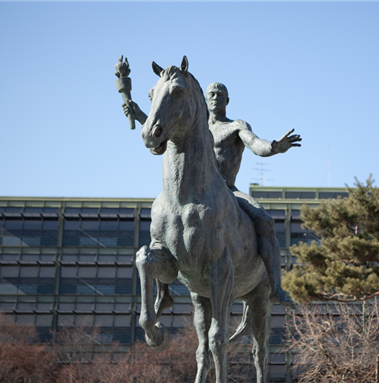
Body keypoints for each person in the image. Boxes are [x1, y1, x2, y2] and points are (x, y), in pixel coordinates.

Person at [124, 82, 301, 306]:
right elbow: (163, 127)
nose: (216, 97)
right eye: (212, 94)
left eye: (220, 94)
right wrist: (140, 114)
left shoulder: (236, 126)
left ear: (227, 100)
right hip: (196, 194)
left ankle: (276, 288)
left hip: (228, 191)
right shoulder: (194, 126)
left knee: (265, 222)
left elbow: (255, 144)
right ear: (205, 100)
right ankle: (163, 293)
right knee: (165, 221)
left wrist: (274, 147)